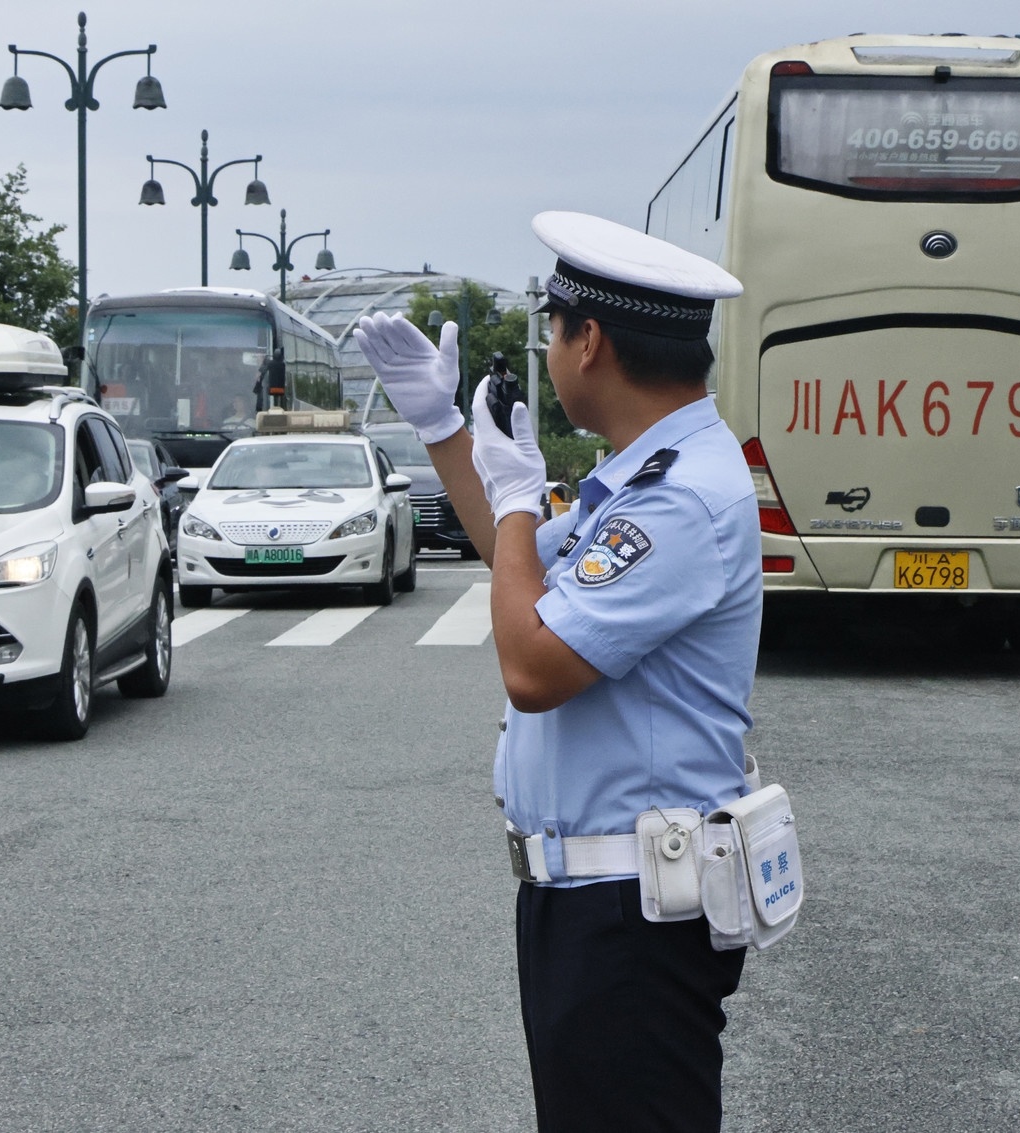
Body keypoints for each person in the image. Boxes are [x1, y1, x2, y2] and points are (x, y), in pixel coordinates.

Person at [354, 211, 759, 1133]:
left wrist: (509, 496)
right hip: (597, 903)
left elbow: (532, 663)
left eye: (555, 325)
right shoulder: (647, 475)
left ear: (592, 343)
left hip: (632, 917)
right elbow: (521, 561)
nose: (548, 344)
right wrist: (447, 428)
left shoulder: (678, 499)